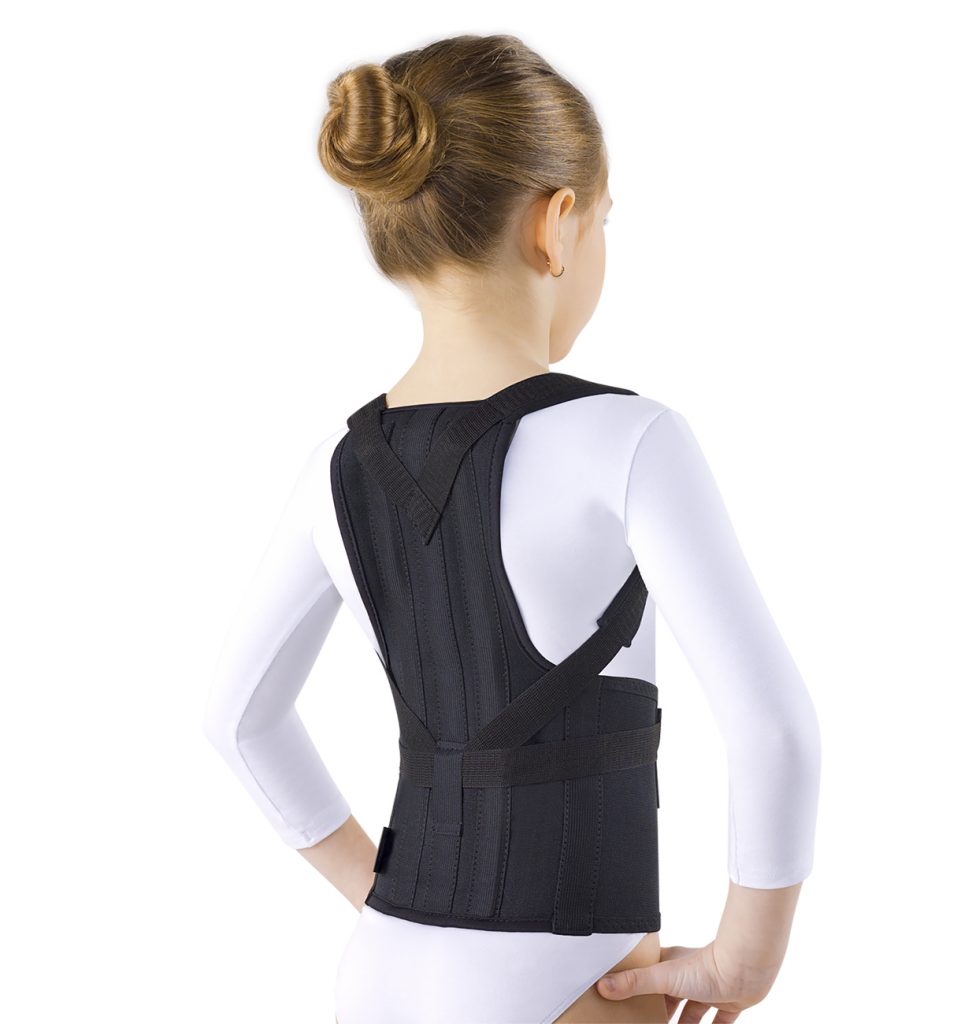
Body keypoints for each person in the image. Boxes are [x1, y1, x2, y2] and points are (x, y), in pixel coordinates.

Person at [203, 33, 821, 1024]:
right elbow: (773, 727)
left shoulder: (336, 464)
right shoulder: (629, 437)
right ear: (556, 224)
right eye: (606, 221)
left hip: (381, 971)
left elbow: (237, 719)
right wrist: (747, 957)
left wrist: (386, 895)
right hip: (566, 971)